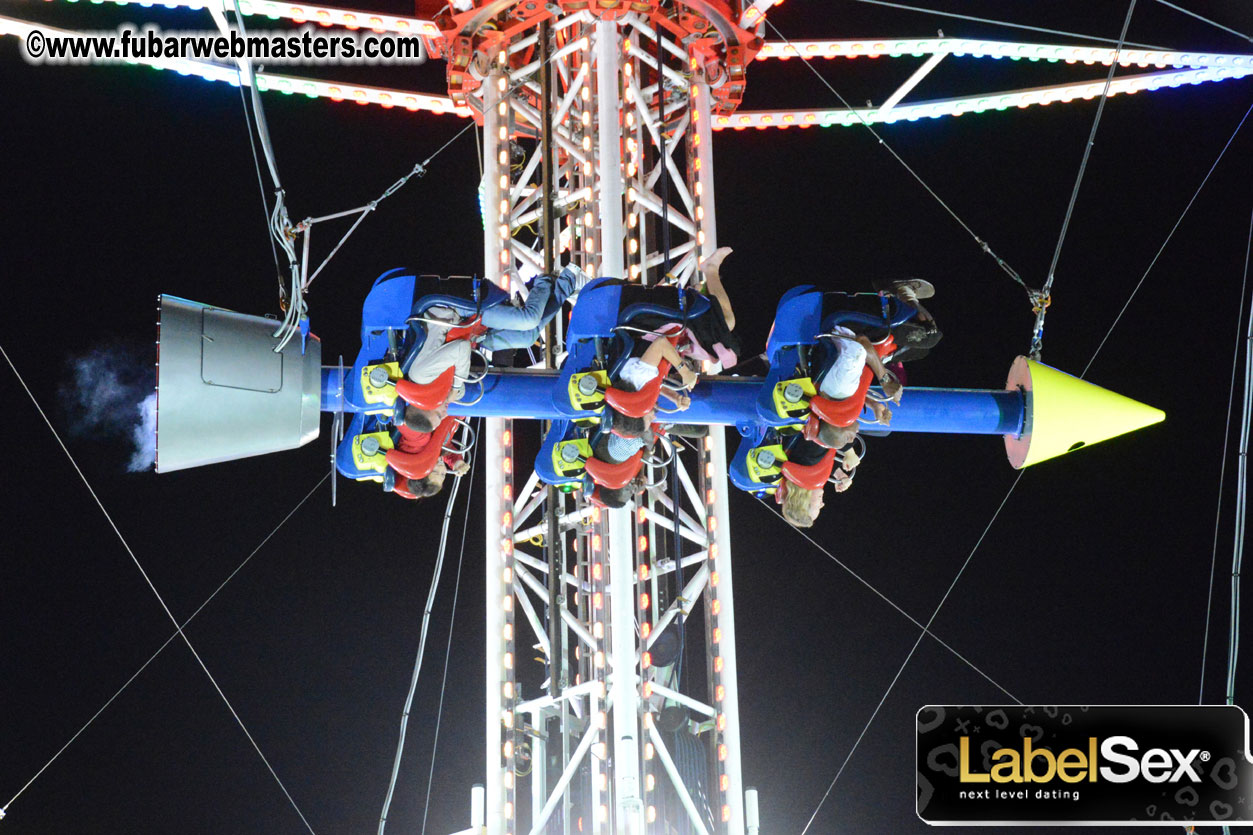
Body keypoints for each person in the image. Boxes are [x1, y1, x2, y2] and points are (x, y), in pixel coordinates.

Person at [403, 265, 591, 430]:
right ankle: (564, 287)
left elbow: (460, 349)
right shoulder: (441, 391)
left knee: (529, 319)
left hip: (457, 312)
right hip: (470, 333)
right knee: (528, 337)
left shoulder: (420, 375)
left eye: (438, 415)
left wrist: (456, 386)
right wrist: (455, 390)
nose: (445, 414)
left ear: (424, 406)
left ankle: (559, 278)